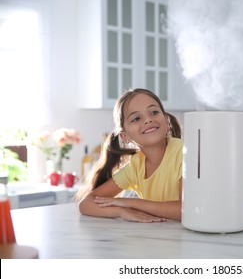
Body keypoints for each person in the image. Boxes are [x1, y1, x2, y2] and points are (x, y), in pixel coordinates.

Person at [76, 88, 183, 222]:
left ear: (167, 122)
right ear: (125, 136)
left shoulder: (184, 153)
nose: (148, 119)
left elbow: (186, 210)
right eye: (136, 118)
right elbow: (86, 204)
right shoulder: (135, 166)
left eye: (154, 112)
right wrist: (121, 211)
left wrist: (130, 203)